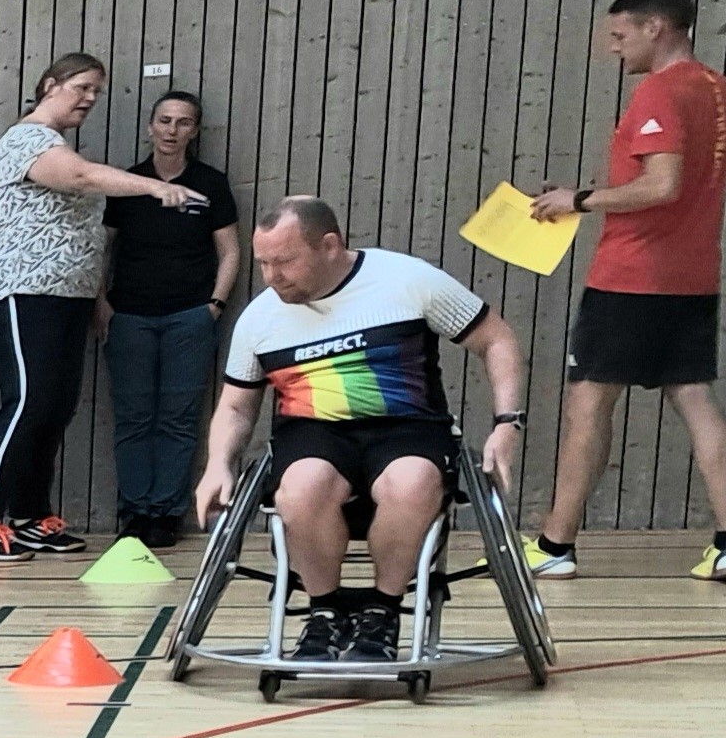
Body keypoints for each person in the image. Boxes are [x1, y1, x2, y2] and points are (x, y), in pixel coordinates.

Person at [194, 198, 527, 662]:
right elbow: (235, 406)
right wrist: (218, 465)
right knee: (303, 487)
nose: (272, 277)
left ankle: (382, 613)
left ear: (331, 246)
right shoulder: (260, 317)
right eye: (264, 262)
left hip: (407, 428)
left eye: (285, 261)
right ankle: (324, 614)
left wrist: (507, 424)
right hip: (313, 434)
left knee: (412, 482)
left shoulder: (407, 281)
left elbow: (497, 339)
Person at [527, 0, 726, 582]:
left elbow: (661, 185)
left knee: (589, 403)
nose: (613, 49)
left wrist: (579, 198)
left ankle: (555, 545)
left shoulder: (661, 92)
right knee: (696, 398)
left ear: (657, 28)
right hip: (693, 273)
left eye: (621, 36)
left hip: (634, 276)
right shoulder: (714, 87)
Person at [0, 54, 204, 563]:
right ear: (50, 84)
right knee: (27, 401)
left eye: (98, 91)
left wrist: (94, 297)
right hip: (22, 292)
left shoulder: (59, 143)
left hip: (67, 297)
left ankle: (28, 518)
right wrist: (156, 186)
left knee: (54, 406)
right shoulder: (27, 139)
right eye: (82, 87)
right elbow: (79, 179)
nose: (90, 99)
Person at [97, 91, 240, 550]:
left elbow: (231, 252)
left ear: (194, 130)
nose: (171, 130)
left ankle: (166, 514)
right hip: (130, 316)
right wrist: (102, 307)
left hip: (189, 318)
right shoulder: (127, 182)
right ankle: (135, 511)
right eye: (164, 120)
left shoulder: (211, 184)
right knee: (135, 418)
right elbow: (100, 249)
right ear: (151, 125)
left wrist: (213, 307)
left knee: (179, 419)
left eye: (182, 122)